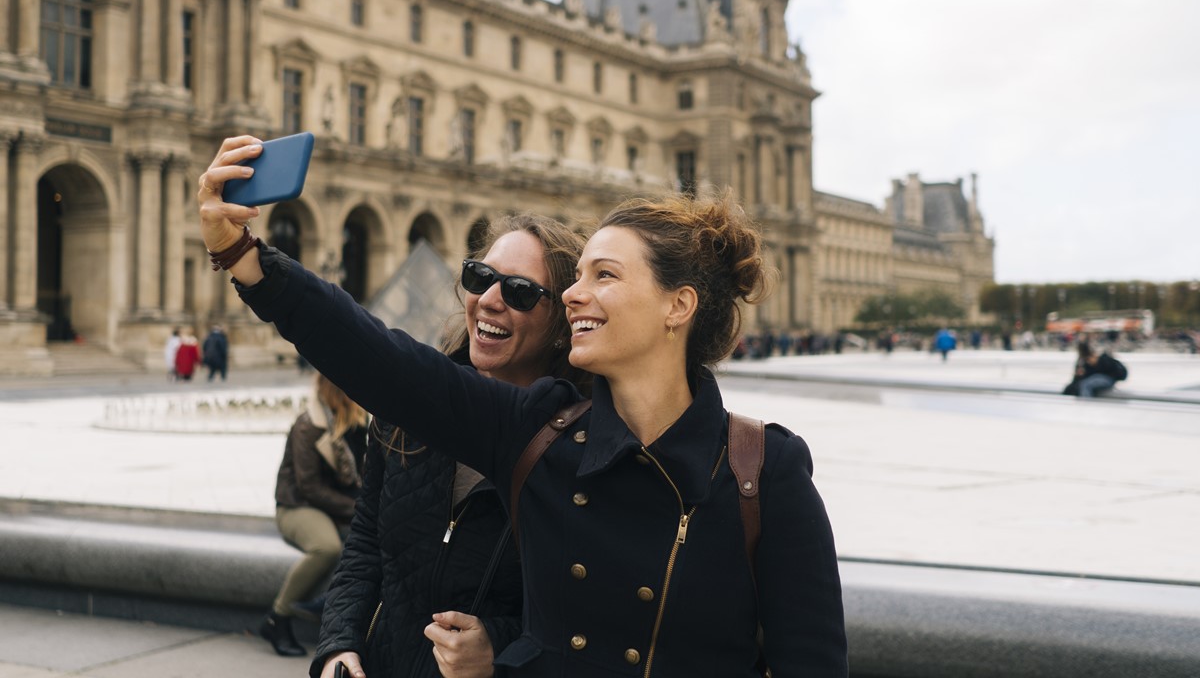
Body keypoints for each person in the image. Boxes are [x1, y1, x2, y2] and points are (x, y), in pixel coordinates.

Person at [198, 135, 847, 676]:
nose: (573, 295)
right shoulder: (539, 434)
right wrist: (243, 257)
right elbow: (382, 361)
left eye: (605, 276)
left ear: (678, 306)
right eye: (579, 274)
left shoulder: (762, 472)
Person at [313, 215, 589, 678]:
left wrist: (498, 649)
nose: (490, 300)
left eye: (520, 291)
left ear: (563, 323)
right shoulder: (410, 405)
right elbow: (365, 541)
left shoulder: (580, 446)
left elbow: (586, 609)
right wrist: (339, 643)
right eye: (480, 278)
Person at [262, 371, 370, 657]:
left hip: (335, 506)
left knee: (371, 539)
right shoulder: (309, 425)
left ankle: (334, 602)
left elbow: (364, 474)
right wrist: (358, 507)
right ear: (337, 391)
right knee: (326, 547)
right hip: (298, 506)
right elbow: (309, 487)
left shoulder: (356, 423)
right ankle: (278, 617)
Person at [1062, 340, 1128, 398]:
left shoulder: (1103, 360)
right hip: (1102, 379)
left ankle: (1086, 403)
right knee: (1085, 383)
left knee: (1086, 384)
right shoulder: (1085, 362)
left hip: (1109, 379)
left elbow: (1110, 371)